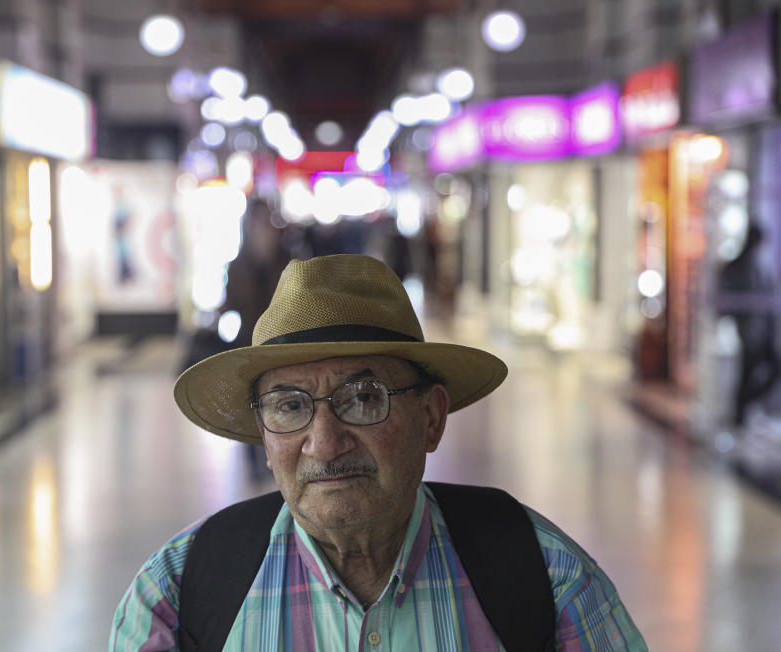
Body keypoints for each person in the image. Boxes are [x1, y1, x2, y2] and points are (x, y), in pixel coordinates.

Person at [110, 254, 646, 651]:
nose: (323, 442)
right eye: (289, 406)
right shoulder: (176, 596)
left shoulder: (547, 578)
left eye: (364, 398)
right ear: (266, 439)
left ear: (431, 419)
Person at [718, 221, 780, 426]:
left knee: (753, 373)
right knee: (749, 373)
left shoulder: (757, 265)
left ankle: (741, 411)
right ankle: (740, 413)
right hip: (751, 331)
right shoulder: (743, 266)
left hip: (758, 331)